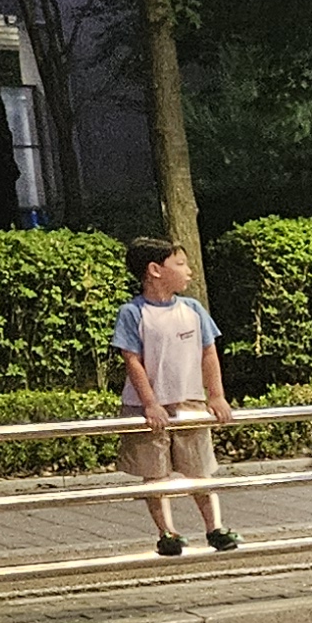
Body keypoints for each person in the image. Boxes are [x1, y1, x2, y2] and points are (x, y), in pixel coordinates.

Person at [114, 237, 239, 555]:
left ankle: (215, 527)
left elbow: (208, 353)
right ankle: (167, 532)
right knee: (154, 472)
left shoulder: (193, 309)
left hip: (190, 399)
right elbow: (132, 361)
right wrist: (150, 403)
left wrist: (217, 395)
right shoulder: (133, 312)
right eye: (180, 264)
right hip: (147, 405)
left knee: (199, 468)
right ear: (155, 270)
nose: (188, 271)